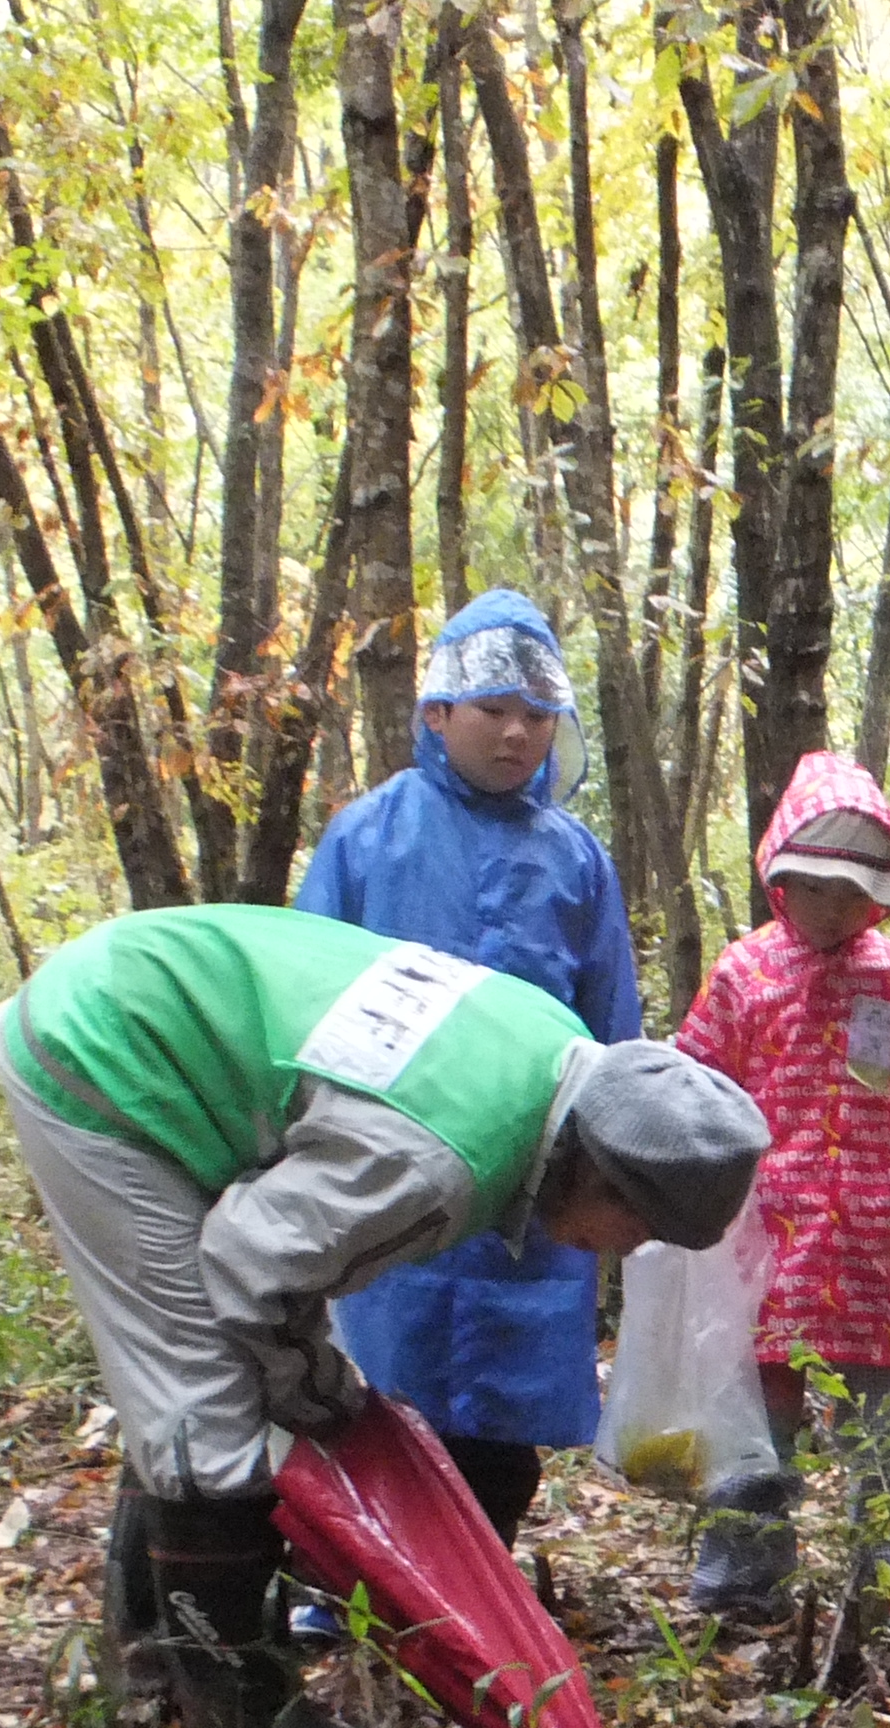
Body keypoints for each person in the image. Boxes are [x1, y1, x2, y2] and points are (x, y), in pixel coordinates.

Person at [0, 904, 767, 1728]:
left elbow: (286, 1253)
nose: (621, 1253)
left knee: (200, 1378)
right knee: (207, 1410)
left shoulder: (557, 1057)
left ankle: (147, 1661)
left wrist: (319, 1391)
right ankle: (237, 1724)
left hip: (151, 1000)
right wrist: (319, 1399)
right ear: (605, 1178)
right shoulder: (439, 1162)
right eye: (636, 1231)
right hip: (105, 1047)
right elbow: (250, 1265)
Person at [295, 590, 640, 1553]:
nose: (516, 732)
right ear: (439, 714)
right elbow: (304, 994)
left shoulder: (575, 861)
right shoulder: (368, 836)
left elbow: (612, 1024)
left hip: (528, 1185)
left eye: (537, 716)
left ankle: (474, 1585)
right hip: (379, 1159)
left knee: (504, 1415)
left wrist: (613, 1170)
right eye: (494, 709)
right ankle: (353, 1580)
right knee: (374, 1385)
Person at [675, 752, 890, 1619]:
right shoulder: (743, 973)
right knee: (761, 1427)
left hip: (874, 1243)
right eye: (818, 887)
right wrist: (694, 1181)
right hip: (771, 1241)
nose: (835, 908)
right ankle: (742, 1585)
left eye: (854, 892)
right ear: (781, 880)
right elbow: (692, 1077)